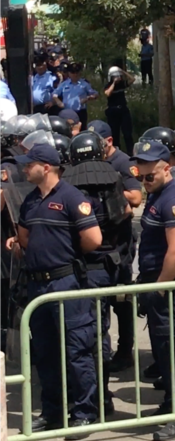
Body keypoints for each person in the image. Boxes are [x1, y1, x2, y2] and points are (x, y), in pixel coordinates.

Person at [13, 144, 102, 438]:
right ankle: (52, 412)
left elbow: (92, 239)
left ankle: (85, 414)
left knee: (77, 350)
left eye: (30, 164)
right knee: (46, 352)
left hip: (65, 283)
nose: (25, 168)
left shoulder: (71, 197)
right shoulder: (30, 200)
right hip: (38, 285)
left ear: (47, 167)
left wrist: (64, 258)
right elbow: (24, 237)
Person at [131, 141, 175, 440]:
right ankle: (172, 404)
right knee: (163, 351)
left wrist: (158, 289)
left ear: (166, 169)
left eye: (150, 177)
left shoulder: (174, 199)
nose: (145, 183)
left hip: (170, 287)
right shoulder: (159, 195)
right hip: (158, 285)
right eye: (140, 177)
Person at [63, 131, 132, 416]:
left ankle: (94, 398)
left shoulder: (68, 184)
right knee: (100, 332)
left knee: (84, 338)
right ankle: (102, 395)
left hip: (83, 268)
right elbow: (124, 212)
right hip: (109, 264)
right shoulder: (113, 179)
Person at [86, 121, 145, 372]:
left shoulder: (121, 163)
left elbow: (136, 197)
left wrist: (111, 188)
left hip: (120, 244)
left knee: (121, 300)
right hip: (98, 242)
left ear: (108, 142)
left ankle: (124, 350)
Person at [103, 65, 134, 151]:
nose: (117, 77)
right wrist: (113, 83)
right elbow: (107, 93)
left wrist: (123, 72)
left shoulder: (122, 84)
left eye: (118, 76)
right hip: (112, 111)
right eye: (115, 76)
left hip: (123, 110)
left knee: (127, 133)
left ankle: (130, 151)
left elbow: (132, 79)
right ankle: (117, 150)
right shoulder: (108, 85)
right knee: (114, 134)